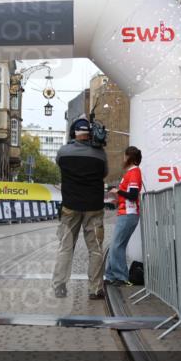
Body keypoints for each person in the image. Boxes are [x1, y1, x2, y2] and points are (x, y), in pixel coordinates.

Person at [52, 115, 108, 300]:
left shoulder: (63, 152)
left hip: (70, 207)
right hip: (94, 207)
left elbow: (59, 163)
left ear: (73, 133)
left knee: (65, 247)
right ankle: (95, 289)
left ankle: (60, 286)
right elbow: (105, 173)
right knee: (96, 249)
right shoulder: (100, 154)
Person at [104, 146, 143, 286]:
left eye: (125, 157)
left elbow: (132, 195)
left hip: (128, 214)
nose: (123, 159)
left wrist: (118, 191)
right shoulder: (131, 173)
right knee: (117, 246)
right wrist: (117, 198)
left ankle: (120, 277)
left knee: (116, 245)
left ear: (129, 158)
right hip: (125, 213)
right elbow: (129, 195)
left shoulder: (134, 173)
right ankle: (111, 276)